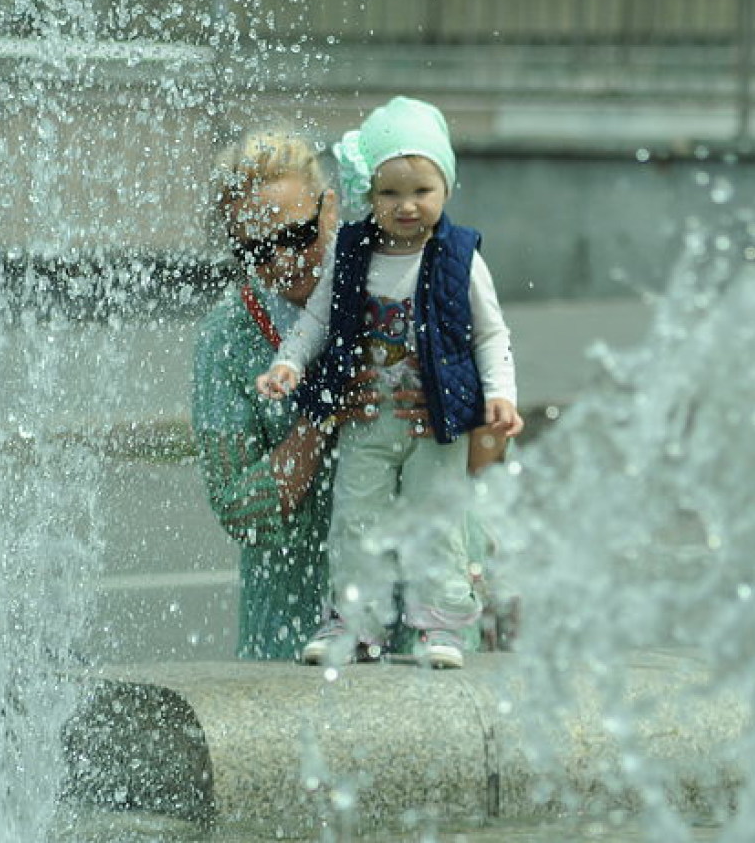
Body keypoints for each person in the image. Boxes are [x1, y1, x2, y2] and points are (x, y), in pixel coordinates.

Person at [255, 96, 523, 669]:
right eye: (389, 193)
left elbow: (490, 336)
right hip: (368, 417)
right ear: (368, 194)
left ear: (446, 187)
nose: (406, 206)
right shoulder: (352, 254)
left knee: (437, 523)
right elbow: (318, 320)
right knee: (356, 519)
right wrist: (289, 364)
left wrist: (499, 397)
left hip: (435, 421)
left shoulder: (459, 257)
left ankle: (442, 625)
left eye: (421, 190)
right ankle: (355, 622)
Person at [192, 130, 412, 661]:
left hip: (416, 624)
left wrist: (463, 417)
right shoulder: (228, 336)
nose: (285, 261)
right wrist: (320, 415)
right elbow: (241, 510)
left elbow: (489, 468)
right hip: (288, 638)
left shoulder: (403, 287)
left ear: (331, 207)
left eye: (298, 234)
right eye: (258, 251)